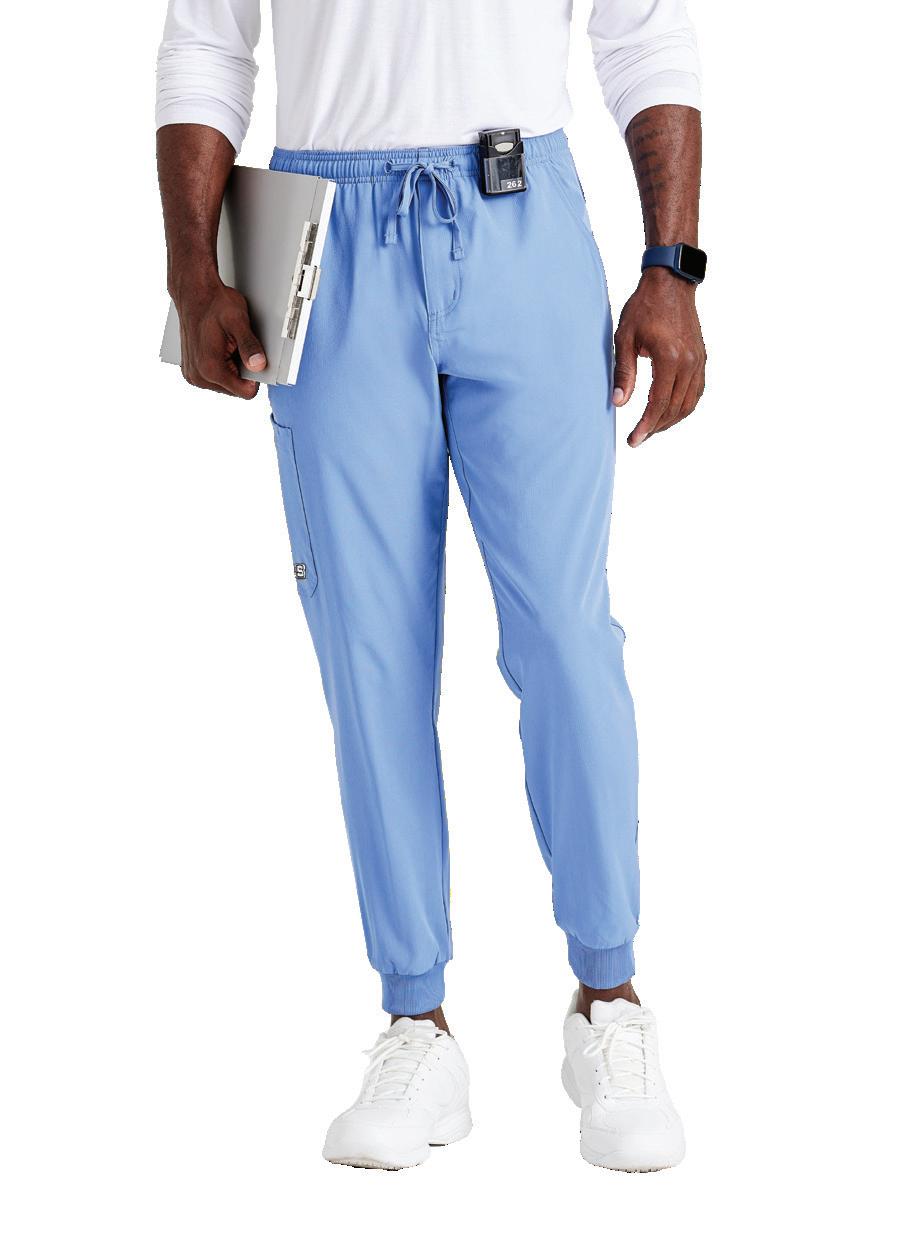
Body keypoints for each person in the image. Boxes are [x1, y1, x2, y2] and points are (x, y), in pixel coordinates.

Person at [155, 0, 706, 1173]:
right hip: (323, 235)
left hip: (522, 219)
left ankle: (608, 1000)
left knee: (566, 640)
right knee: (368, 650)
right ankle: (417, 1022)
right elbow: (206, 40)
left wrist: (670, 270)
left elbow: (643, 34)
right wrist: (192, 270)